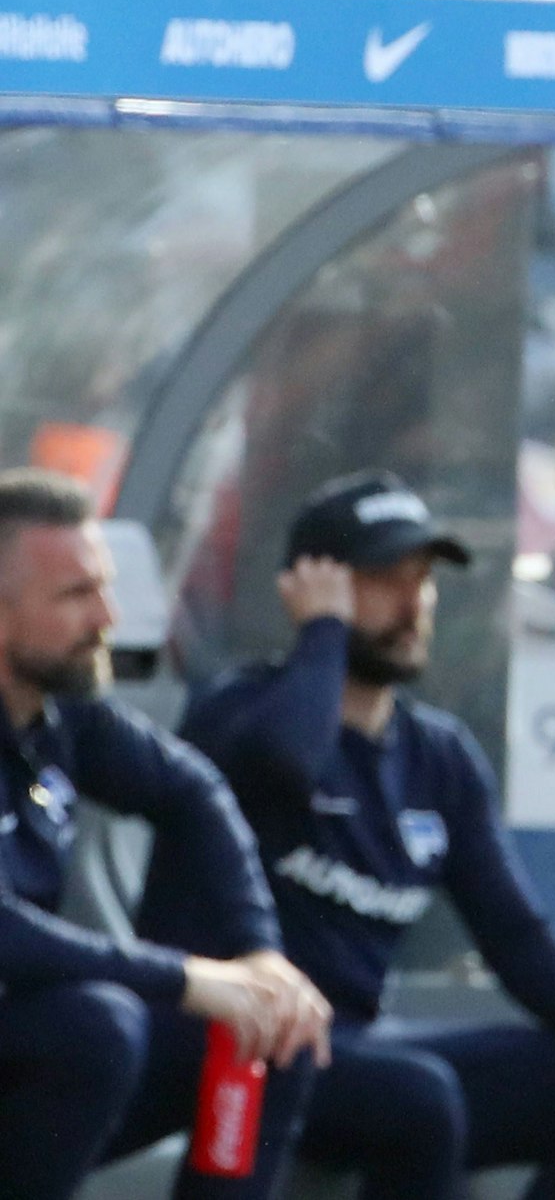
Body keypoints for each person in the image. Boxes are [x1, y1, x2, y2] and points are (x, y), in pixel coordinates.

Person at [139, 470, 555, 1200]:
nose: (413, 601)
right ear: (312, 587)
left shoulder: (439, 756)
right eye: (386, 578)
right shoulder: (239, 714)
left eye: (422, 579)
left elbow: (515, 931)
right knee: (416, 1098)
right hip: (238, 1042)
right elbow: (287, 763)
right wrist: (321, 635)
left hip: (361, 1048)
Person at [0, 467, 332, 1200]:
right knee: (95, 1026)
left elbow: (193, 790)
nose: (107, 616)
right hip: (45, 1035)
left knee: (270, 1028)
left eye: (104, 586)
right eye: (75, 594)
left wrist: (257, 955)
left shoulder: (61, 709)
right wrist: (186, 978)